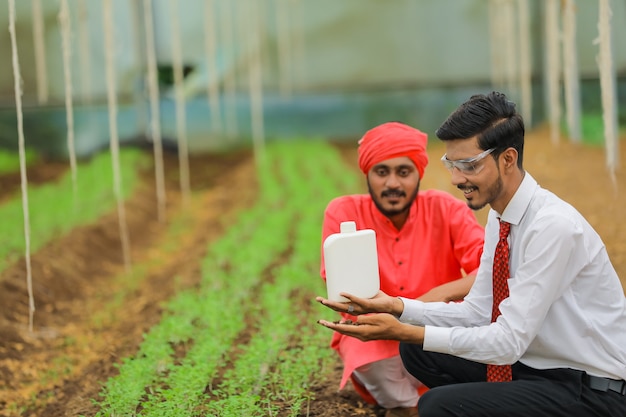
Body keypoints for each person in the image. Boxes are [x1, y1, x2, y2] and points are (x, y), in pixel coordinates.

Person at [316, 91, 626, 417]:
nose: (456, 179)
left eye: (469, 166)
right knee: (418, 351)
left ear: (507, 159)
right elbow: (479, 310)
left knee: (436, 405)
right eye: (451, 164)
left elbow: (507, 342)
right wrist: (397, 307)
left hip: (590, 389)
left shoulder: (552, 227)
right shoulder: (501, 217)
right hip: (537, 367)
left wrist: (407, 329)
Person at [319, 121, 485, 417]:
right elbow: (343, 294)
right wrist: (390, 320)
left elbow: (489, 269)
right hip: (376, 337)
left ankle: (423, 404)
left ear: (418, 174)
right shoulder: (344, 212)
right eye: (382, 172)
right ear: (367, 175)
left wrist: (435, 296)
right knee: (368, 354)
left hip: (436, 330)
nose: (393, 183)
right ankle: (410, 407)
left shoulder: (446, 209)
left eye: (403, 172)